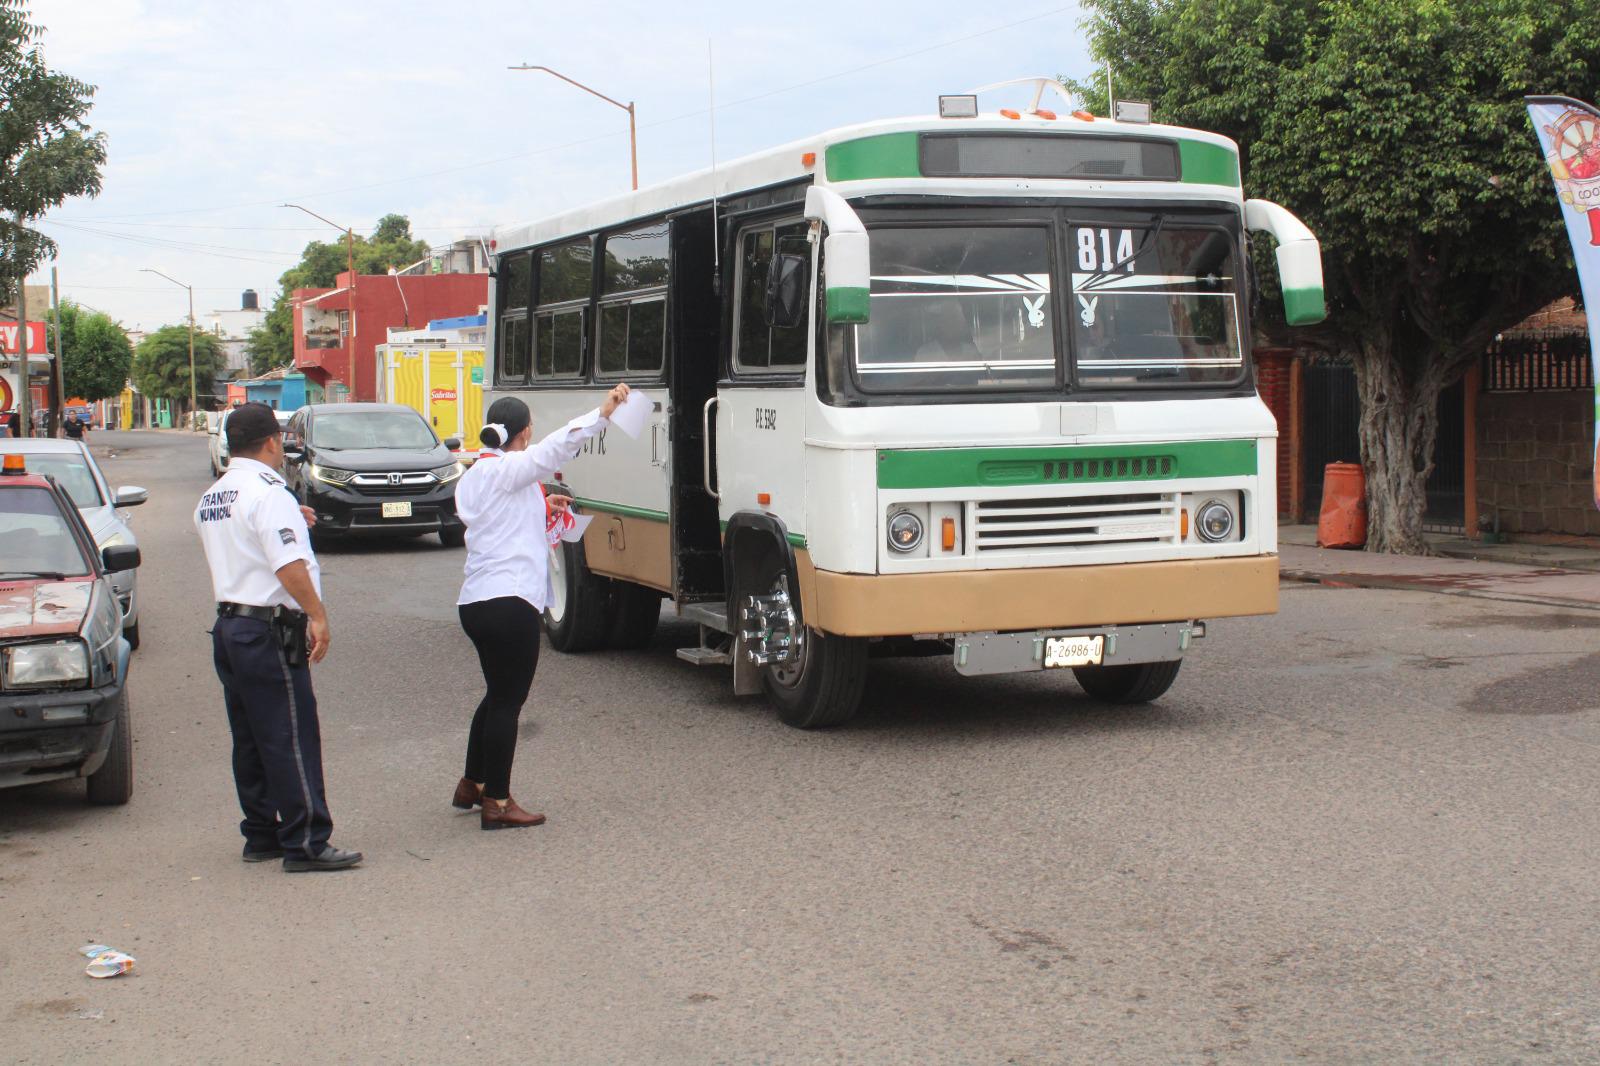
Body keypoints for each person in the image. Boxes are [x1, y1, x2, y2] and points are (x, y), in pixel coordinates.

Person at [452, 383, 631, 829]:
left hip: (476, 602)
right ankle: (497, 801)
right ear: (525, 432)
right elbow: (557, 448)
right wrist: (603, 412)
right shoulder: (511, 467)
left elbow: (497, 516)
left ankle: (471, 784)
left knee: (496, 693)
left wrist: (543, 503)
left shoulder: (478, 472)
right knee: (508, 702)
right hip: (509, 601)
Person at [193, 402, 362, 872]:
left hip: (230, 625)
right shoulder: (269, 494)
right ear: (272, 442)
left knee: (250, 736)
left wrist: (292, 515)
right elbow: (287, 565)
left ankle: (261, 833)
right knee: (290, 733)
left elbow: (244, 543)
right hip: (267, 628)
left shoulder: (216, 493)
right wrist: (317, 615)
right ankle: (306, 842)